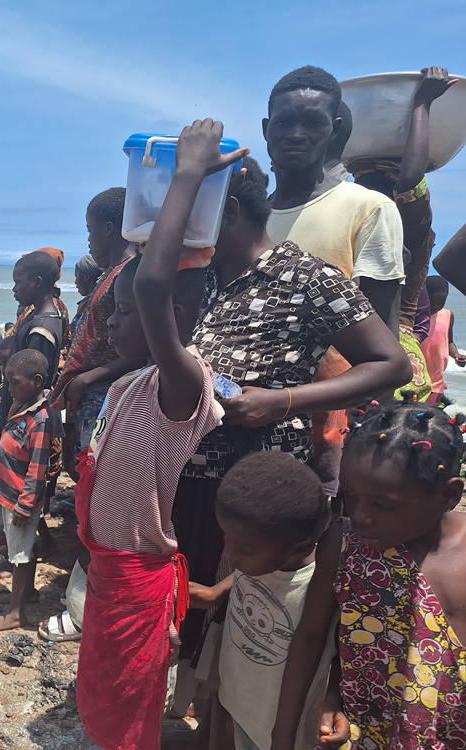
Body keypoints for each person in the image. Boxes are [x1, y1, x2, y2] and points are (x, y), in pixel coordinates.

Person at [174, 156, 412, 663]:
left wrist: (281, 401)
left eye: (194, 217)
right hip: (195, 480)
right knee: (195, 627)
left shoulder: (304, 276)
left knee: (245, 629)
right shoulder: (210, 279)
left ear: (230, 211)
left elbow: (391, 365)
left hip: (255, 489)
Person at [74, 120, 242, 750]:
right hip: (110, 572)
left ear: (168, 319)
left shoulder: (182, 388)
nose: (113, 325)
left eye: (121, 315)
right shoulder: (127, 387)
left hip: (139, 580)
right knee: (106, 690)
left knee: (132, 700)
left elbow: (149, 284)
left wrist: (189, 174)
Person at [270, 397, 466, 750]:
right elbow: (312, 636)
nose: (359, 515)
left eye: (381, 504)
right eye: (349, 495)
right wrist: (283, 735)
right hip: (366, 734)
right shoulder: (344, 545)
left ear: (448, 494)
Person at [263, 65, 405, 497]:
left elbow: (381, 338)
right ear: (267, 129)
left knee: (310, 526)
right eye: (285, 123)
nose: (296, 134)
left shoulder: (368, 208)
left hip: (326, 412)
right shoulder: (251, 214)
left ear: (335, 128)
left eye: (313, 123)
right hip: (247, 403)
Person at [188, 452, 333, 750]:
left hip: (278, 727)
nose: (230, 555)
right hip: (237, 691)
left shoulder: (318, 587)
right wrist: (216, 593)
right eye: (226, 538)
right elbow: (245, 572)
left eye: (243, 549)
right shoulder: (261, 555)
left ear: (300, 547)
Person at [353, 67, 458, 402]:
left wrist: (422, 105)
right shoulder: (356, 216)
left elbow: (410, 178)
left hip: (391, 351)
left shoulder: (405, 227)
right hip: (362, 346)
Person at [52, 188, 142, 470]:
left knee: (95, 473)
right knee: (82, 470)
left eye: (91, 230)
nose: (89, 239)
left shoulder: (128, 275)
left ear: (109, 228)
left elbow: (143, 349)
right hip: (90, 393)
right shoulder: (111, 273)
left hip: (105, 393)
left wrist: (86, 379)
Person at [0, 349, 54, 632]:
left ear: (36, 381)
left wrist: (25, 506)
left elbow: (37, 469)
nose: (9, 388)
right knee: (22, 550)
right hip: (11, 495)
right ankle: (26, 594)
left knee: (21, 556)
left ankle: (15, 613)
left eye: (14, 382)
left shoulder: (41, 420)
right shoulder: (24, 409)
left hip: (20, 499)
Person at [0, 252, 65, 462]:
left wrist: (7, 434)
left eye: (18, 282)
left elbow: (28, 392)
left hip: (23, 428)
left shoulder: (41, 330)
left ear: (37, 282)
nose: (14, 289)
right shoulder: (35, 318)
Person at [422, 275, 466, 403]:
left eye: (441, 303)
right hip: (416, 377)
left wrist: (457, 355)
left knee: (432, 415)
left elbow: (449, 341)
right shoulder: (414, 316)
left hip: (436, 379)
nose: (436, 306)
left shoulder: (447, 315)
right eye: (432, 302)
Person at [72, 254, 104, 332]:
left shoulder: (93, 305)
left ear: (86, 277)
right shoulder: (99, 299)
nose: (75, 282)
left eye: (77, 277)